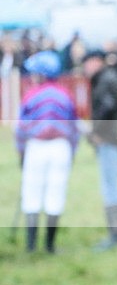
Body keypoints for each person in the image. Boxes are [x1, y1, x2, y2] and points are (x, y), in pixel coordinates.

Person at [15, 50, 79, 253]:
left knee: (31, 193)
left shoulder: (31, 95)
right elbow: (74, 129)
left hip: (36, 147)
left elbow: (20, 129)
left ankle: (31, 246)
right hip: (60, 148)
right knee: (55, 194)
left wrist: (21, 153)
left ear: (41, 74)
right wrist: (72, 152)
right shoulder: (65, 95)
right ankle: (50, 246)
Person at [82, 49, 117, 251]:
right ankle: (116, 233)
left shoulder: (105, 80)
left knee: (110, 188)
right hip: (115, 139)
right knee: (110, 187)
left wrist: (95, 132)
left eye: (88, 62)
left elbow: (108, 108)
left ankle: (115, 235)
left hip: (110, 140)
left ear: (97, 61)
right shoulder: (108, 77)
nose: (85, 67)